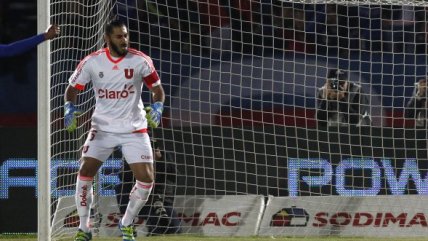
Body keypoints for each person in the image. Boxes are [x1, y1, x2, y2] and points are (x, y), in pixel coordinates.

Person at [63, 18, 165, 241]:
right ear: (107, 39)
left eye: (126, 35)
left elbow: (157, 89)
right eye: (119, 36)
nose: (125, 40)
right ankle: (84, 228)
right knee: (85, 171)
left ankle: (126, 223)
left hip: (134, 128)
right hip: (103, 129)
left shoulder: (140, 61)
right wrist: (69, 107)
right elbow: (72, 89)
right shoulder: (92, 62)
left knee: (147, 180)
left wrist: (158, 107)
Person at [115, 139, 181, 236]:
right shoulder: (134, 157)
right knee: (120, 187)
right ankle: (128, 225)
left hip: (161, 199)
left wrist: (160, 160)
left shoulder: (165, 156)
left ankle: (154, 230)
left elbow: (176, 176)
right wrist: (138, 165)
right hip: (140, 198)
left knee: (173, 228)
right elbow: (122, 176)